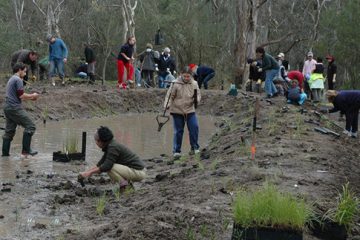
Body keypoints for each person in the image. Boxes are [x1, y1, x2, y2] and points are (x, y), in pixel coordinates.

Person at [80, 126, 146, 190]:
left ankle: (125, 186)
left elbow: (106, 166)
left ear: (101, 141)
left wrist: (90, 173)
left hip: (139, 172)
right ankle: (127, 185)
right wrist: (86, 172)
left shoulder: (113, 147)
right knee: (107, 166)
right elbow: (100, 164)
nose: (96, 143)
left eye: (96, 141)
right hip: (136, 170)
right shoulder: (110, 145)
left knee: (110, 168)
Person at [2, 63, 39, 157]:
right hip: (14, 108)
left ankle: (5, 156)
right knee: (30, 126)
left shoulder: (12, 78)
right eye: (25, 71)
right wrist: (33, 96)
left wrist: (30, 97)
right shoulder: (17, 79)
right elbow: (21, 95)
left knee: (9, 132)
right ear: (19, 70)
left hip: (7, 107)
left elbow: (18, 94)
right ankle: (25, 151)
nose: (26, 74)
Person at [164, 66, 201, 159]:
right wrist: (167, 104)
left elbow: (198, 95)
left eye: (188, 76)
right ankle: (177, 151)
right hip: (177, 110)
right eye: (184, 76)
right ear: (181, 75)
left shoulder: (194, 83)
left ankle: (194, 147)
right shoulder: (175, 83)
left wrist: (197, 100)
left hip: (190, 109)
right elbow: (169, 95)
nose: (186, 78)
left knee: (194, 127)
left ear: (191, 76)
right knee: (178, 131)